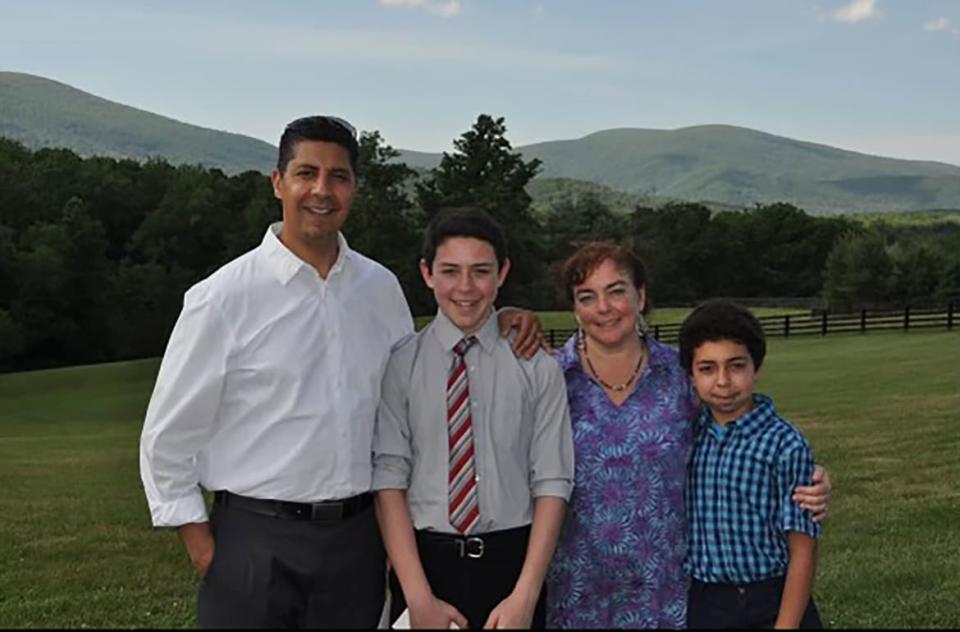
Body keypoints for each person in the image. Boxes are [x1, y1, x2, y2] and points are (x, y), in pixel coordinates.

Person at [138, 116, 541, 629]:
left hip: (357, 541)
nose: (321, 191)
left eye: (338, 176)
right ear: (278, 182)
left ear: (354, 188)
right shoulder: (222, 298)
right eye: (306, 173)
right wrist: (205, 550)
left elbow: (421, 384)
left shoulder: (379, 289)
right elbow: (166, 439)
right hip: (254, 539)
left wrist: (496, 319)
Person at [544, 241, 832, 629]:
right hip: (581, 586)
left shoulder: (679, 376)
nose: (604, 308)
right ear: (574, 308)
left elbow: (740, 428)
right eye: (587, 296)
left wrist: (811, 481)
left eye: (617, 291)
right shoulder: (549, 377)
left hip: (668, 591)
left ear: (641, 295)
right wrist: (510, 316)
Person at [372, 207, 574, 629]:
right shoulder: (401, 365)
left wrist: (526, 594)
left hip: (514, 566)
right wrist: (417, 596)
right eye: (450, 271)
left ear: (503, 273)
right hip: (425, 567)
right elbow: (389, 478)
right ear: (427, 273)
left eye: (481, 271)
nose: (465, 288)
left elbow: (553, 480)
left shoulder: (536, 366)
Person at [679, 299, 822, 629]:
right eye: (707, 368)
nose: (723, 381)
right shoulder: (685, 439)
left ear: (756, 368)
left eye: (736, 366)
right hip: (706, 601)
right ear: (690, 375)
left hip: (772, 598)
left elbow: (802, 550)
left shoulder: (785, 444)